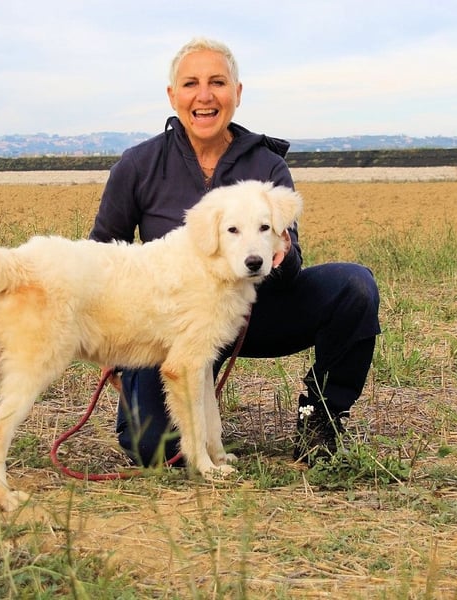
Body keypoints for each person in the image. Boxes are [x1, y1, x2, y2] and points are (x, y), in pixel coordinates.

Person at [89, 37, 380, 468]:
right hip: (172, 326)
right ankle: (184, 423)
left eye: (217, 83)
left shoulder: (267, 166)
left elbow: (290, 249)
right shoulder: (137, 165)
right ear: (173, 95)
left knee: (354, 286)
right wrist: (111, 338)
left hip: (255, 314)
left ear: (237, 93)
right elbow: (102, 256)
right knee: (151, 448)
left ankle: (320, 416)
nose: (204, 96)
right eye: (191, 83)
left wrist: (282, 255)